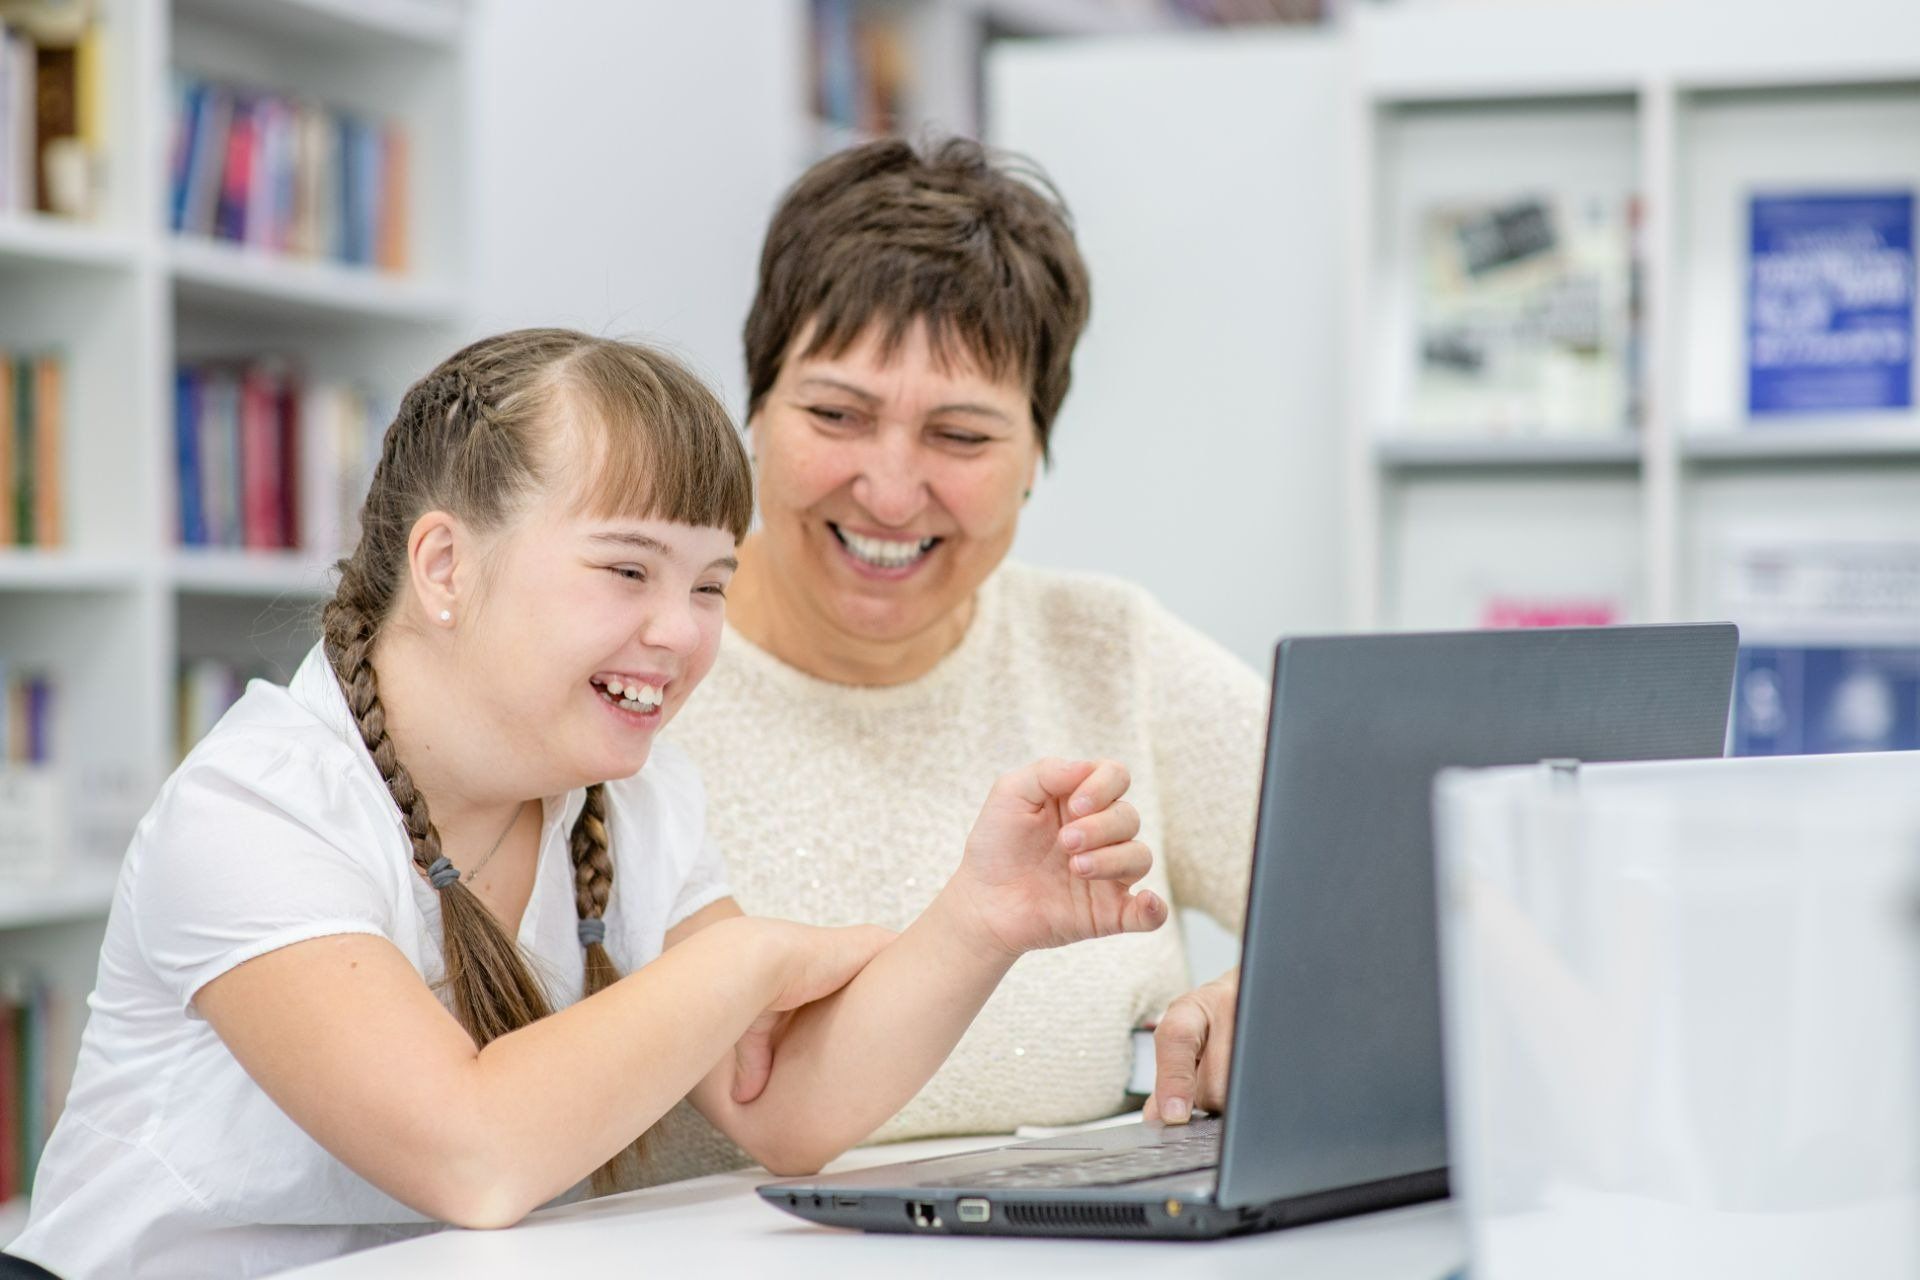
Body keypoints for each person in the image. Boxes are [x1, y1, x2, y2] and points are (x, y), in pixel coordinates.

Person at [5, 330, 1165, 1280]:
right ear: (446, 566)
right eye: (627, 570)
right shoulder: (253, 809)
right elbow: (474, 1152)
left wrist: (979, 921)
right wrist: (749, 959)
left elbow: (784, 1105)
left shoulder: (633, 797)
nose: (681, 631)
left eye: (710, 583)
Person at [645, 138, 1267, 1182]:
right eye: (836, 414)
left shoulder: (1112, 650)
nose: (890, 492)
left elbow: (1428, 895)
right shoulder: (634, 675)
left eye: (963, 436)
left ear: (1037, 459)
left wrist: (1282, 992)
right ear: (753, 411)